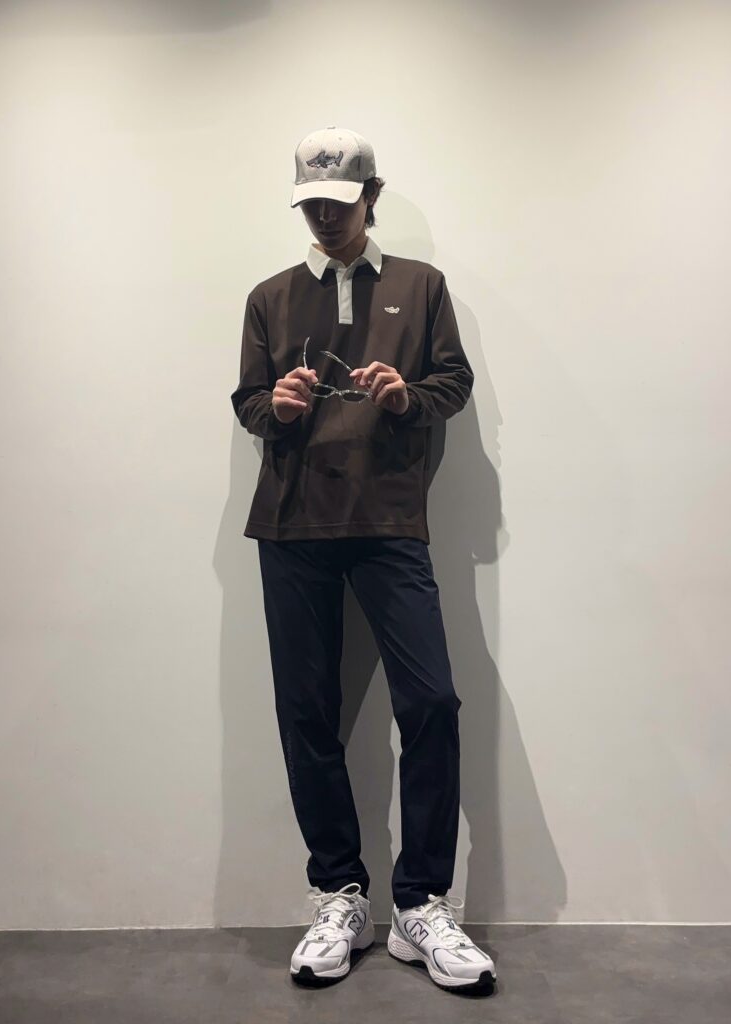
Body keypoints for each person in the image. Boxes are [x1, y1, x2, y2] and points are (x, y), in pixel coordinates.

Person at [230, 125, 496, 993]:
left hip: (388, 520)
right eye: (310, 203)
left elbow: (452, 384)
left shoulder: (420, 287)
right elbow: (247, 402)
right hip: (293, 525)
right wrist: (276, 405)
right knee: (307, 713)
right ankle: (338, 894)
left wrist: (406, 396)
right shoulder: (270, 298)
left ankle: (421, 903)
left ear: (372, 197)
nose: (324, 217)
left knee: (432, 702)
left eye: (339, 203)